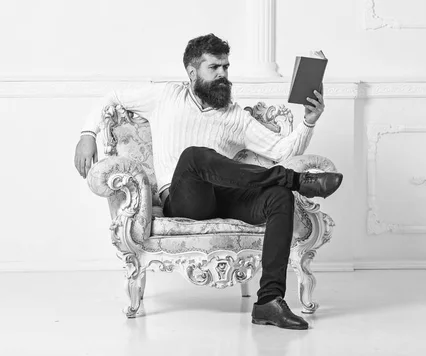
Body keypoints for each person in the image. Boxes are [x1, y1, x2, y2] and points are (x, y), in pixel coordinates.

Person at [73, 33, 343, 330]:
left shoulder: (234, 116)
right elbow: (112, 98)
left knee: (280, 197)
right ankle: (295, 179)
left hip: (229, 195)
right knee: (195, 157)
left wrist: (308, 121)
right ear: (192, 72)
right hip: (185, 199)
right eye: (214, 68)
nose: (223, 74)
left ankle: (269, 301)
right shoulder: (166, 96)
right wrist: (87, 135)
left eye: (226, 67)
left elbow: (282, 150)